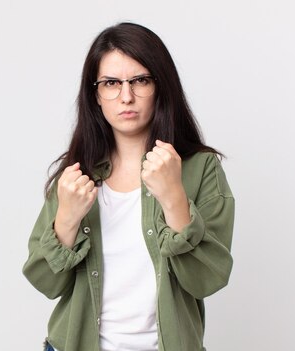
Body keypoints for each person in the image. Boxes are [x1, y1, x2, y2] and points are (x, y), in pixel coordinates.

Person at [22, 22, 235, 351]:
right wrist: (66, 218)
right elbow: (46, 283)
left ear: (160, 86)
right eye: (111, 83)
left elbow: (206, 280)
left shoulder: (200, 169)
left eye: (140, 80)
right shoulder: (75, 176)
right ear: (96, 94)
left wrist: (174, 197)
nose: (126, 96)